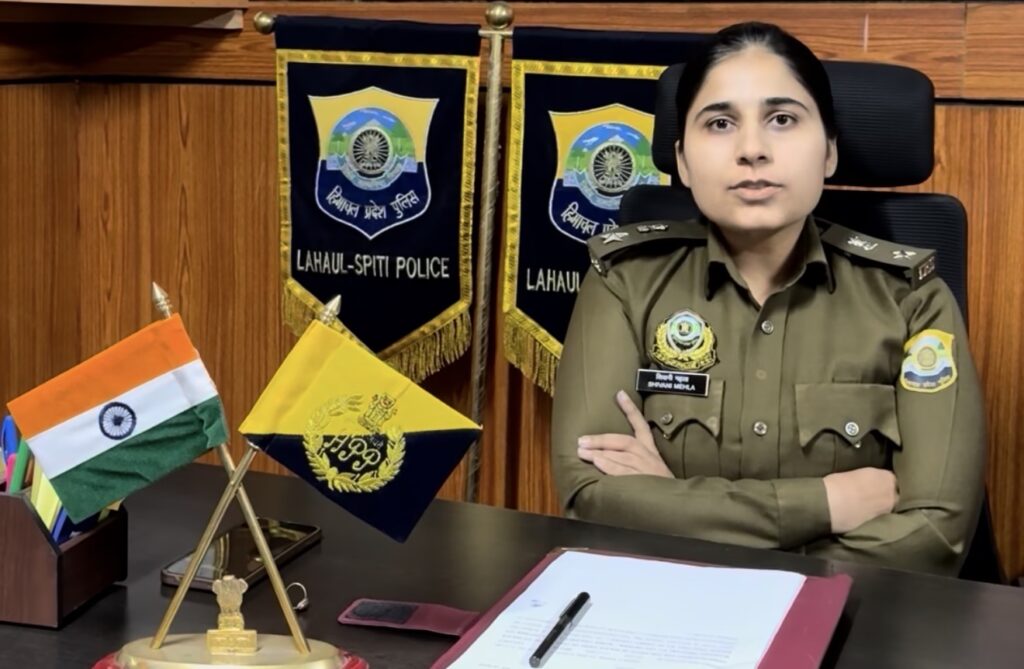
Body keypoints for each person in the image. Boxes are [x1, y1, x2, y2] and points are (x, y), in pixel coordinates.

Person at [550, 21, 986, 576]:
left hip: (856, 617)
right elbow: (592, 496)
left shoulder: (912, 301)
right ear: (682, 161)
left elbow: (934, 534)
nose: (752, 150)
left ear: (828, 152)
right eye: (720, 123)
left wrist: (671, 509)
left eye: (782, 119)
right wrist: (825, 503)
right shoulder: (625, 282)